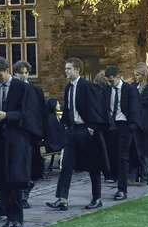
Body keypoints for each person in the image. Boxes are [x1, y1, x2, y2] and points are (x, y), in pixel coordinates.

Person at [0, 57, 43, 227]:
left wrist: (8, 116)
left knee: (15, 180)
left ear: (7, 70)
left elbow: (30, 114)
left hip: (17, 139)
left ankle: (18, 220)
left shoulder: (22, 88)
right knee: (2, 181)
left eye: (0, 76)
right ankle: (8, 218)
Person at [46, 58, 109, 211]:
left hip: (86, 130)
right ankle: (62, 199)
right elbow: (68, 109)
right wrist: (65, 126)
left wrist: (91, 128)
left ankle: (97, 198)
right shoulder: (68, 87)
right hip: (72, 131)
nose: (66, 71)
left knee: (93, 165)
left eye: (69, 68)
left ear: (77, 70)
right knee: (66, 164)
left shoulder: (87, 86)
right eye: (65, 68)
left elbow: (97, 108)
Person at [101, 65, 144, 201]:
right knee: (113, 155)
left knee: (123, 157)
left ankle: (122, 189)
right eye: (108, 80)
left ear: (117, 77)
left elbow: (136, 108)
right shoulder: (107, 90)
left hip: (125, 125)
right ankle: (115, 178)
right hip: (112, 126)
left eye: (112, 80)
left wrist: (133, 125)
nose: (110, 83)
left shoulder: (129, 89)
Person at [12, 60, 46, 209]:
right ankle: (20, 194)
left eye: (26, 73)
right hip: (16, 132)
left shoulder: (35, 91)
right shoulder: (11, 89)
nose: (24, 76)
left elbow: (41, 112)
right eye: (21, 73)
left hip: (32, 133)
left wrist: (41, 132)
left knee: (29, 164)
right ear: (15, 74)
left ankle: (24, 195)